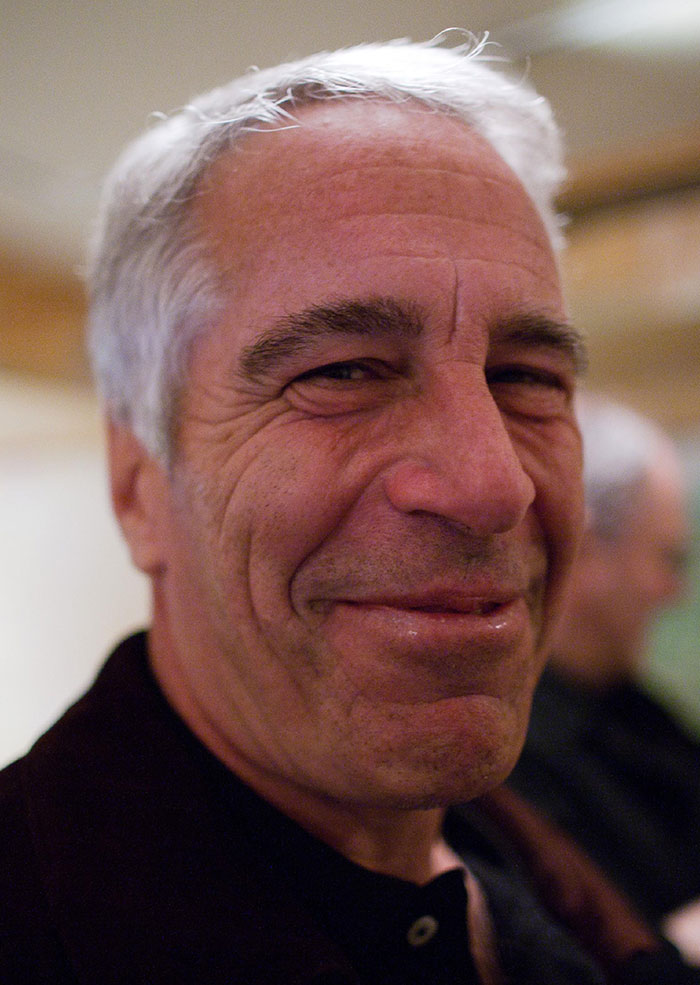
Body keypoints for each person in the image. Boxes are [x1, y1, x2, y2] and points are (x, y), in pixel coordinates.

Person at [1, 37, 696, 984]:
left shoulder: (552, 893)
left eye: (526, 377)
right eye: (343, 372)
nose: (495, 485)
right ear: (138, 486)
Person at [509, 393, 700, 950]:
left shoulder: (632, 706)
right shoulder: (510, 752)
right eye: (666, 559)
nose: (673, 591)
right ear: (584, 553)